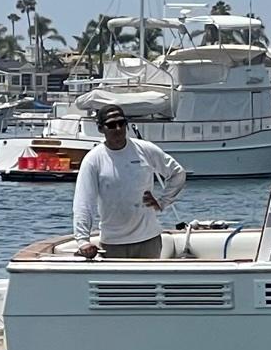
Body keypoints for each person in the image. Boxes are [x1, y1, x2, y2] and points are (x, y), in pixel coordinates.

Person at [72, 106, 188, 260]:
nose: (118, 128)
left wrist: (162, 201)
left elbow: (177, 173)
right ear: (100, 129)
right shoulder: (93, 160)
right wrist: (82, 240)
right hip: (113, 243)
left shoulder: (146, 149)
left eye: (122, 123)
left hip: (149, 239)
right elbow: (84, 203)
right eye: (112, 125)